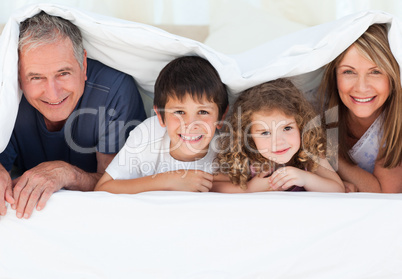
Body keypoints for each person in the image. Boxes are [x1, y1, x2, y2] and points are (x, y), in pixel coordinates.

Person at [0, 12, 146, 218]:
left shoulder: (113, 90)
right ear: (17, 75)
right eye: (36, 77)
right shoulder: (6, 95)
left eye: (63, 73)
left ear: (83, 64)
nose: (53, 93)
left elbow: (120, 184)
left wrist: (68, 174)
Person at [95, 56, 228, 193]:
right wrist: (168, 180)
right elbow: (103, 188)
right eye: (179, 112)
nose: (190, 124)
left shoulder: (226, 148)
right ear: (160, 116)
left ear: (221, 116)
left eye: (203, 112)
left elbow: (246, 186)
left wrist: (198, 183)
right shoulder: (147, 134)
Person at [212, 78, 344, 193]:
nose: (278, 142)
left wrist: (305, 178)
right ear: (249, 137)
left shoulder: (309, 154)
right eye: (265, 133)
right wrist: (250, 188)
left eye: (287, 128)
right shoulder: (246, 160)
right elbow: (212, 185)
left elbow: (338, 189)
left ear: (301, 126)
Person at [319, 24, 402, 193]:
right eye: (349, 72)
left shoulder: (396, 122)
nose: (362, 87)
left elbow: (384, 195)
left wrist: (326, 153)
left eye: (375, 72)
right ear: (334, 76)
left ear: (392, 77)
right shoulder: (317, 110)